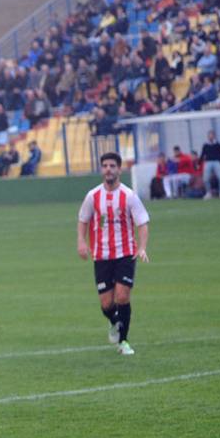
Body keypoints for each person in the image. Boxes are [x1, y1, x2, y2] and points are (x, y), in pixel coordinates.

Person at [76, 152, 150, 356]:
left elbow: (142, 223)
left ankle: (124, 341)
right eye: (105, 166)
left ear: (119, 169)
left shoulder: (129, 196)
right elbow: (83, 219)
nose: (108, 169)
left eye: (112, 166)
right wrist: (81, 242)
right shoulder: (93, 196)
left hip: (126, 253)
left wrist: (142, 247)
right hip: (102, 255)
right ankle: (114, 322)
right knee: (107, 303)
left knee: (122, 296)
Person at [200, 130, 220, 199]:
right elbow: (202, 154)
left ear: (214, 136)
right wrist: (199, 163)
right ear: (208, 136)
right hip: (208, 162)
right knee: (206, 178)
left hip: (216, 162)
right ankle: (208, 193)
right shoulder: (205, 145)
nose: (211, 136)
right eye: (209, 135)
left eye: (212, 135)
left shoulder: (218, 144)